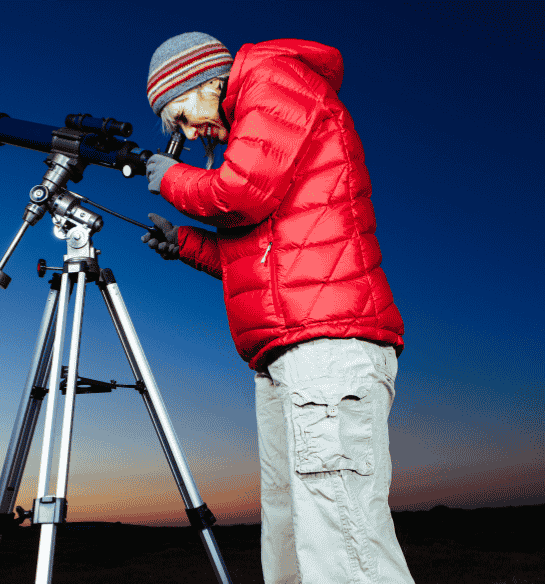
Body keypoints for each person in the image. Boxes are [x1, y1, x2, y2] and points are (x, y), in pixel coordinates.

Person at [143, 32, 414, 584]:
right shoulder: (256, 123)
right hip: (289, 354)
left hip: (326, 348)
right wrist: (185, 244)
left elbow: (241, 193)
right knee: (293, 534)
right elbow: (263, 256)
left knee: (344, 542)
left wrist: (171, 179)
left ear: (204, 81)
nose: (190, 133)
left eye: (181, 115)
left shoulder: (273, 79)